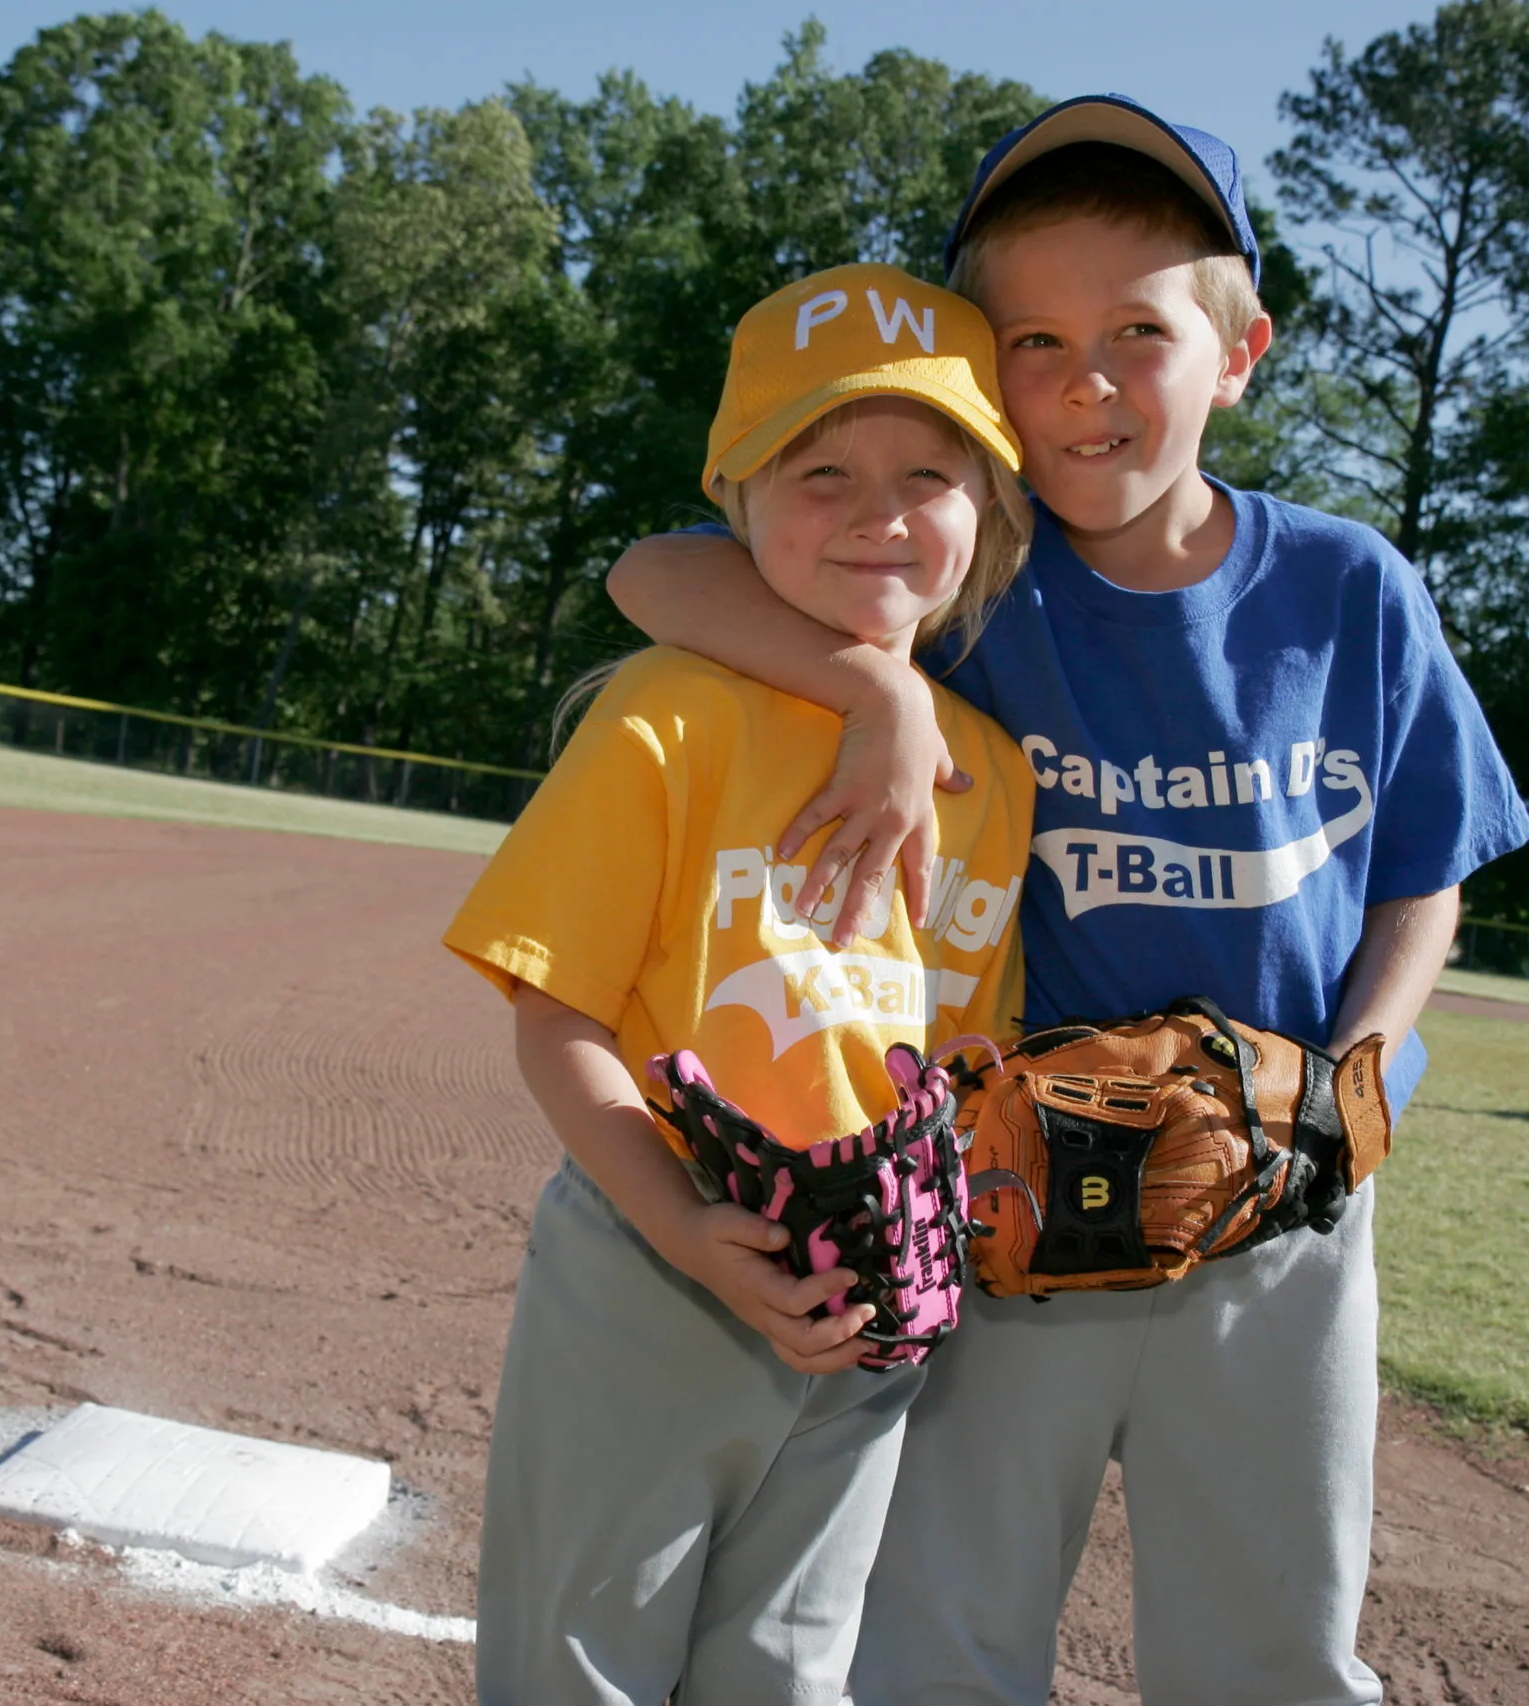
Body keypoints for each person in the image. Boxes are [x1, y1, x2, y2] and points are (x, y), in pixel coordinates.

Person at [607, 96, 1529, 1705]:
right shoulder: (972, 568)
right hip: (1010, 1198)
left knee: (1272, 1639)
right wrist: (878, 691)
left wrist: (1358, 1070)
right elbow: (653, 571)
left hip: (1283, 1200)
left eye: (1138, 332)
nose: (1085, 382)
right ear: (984, 375)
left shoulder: (1347, 587)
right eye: (1032, 339)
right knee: (943, 1631)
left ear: (1238, 353)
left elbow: (1419, 872)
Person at [443, 262, 1039, 1706]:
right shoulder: (670, 707)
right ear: (742, 499)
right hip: (652, 1252)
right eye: (820, 467)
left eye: (929, 472)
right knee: (576, 1661)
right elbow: (557, 1017)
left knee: (788, 1666)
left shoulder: (993, 773)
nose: (880, 510)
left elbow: (962, 1062)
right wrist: (673, 1217)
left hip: (865, 1297)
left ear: (991, 515)